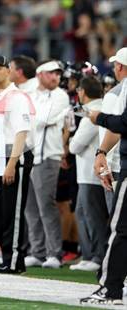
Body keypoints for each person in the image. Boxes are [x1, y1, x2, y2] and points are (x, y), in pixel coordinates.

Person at [80, 47, 127, 305]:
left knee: (119, 229)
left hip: (124, 168)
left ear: (120, 67)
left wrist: (99, 118)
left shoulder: (122, 91)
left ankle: (111, 288)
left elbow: (122, 125)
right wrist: (101, 153)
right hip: (119, 163)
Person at [0, 54, 34, 274]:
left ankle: (14, 261)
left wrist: (13, 163)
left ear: (8, 70)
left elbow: (22, 132)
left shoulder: (17, 97)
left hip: (14, 156)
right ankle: (7, 258)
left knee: (12, 212)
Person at [24, 61, 70, 269]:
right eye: (51, 74)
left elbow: (42, 118)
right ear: (40, 74)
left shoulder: (60, 95)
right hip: (30, 155)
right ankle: (37, 251)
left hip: (48, 156)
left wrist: (31, 118)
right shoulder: (32, 94)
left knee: (46, 206)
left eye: (58, 74)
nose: (56, 78)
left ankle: (54, 253)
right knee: (30, 207)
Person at [68, 76, 108, 272]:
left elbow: (75, 146)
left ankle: (97, 256)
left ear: (83, 91)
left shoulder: (92, 112)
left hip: (90, 175)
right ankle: (90, 254)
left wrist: (70, 142)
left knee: (93, 216)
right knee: (85, 214)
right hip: (89, 174)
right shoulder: (98, 107)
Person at [95, 48, 127, 214]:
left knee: (117, 225)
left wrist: (104, 164)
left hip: (117, 168)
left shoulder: (115, 94)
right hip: (120, 165)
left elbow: (112, 129)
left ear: (120, 67)